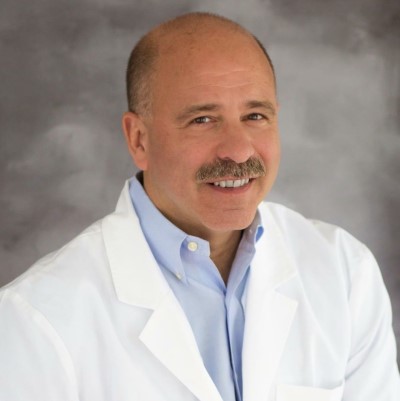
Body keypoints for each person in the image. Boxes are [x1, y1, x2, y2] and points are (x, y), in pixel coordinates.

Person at [0, 12, 398, 401]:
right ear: (139, 139)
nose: (239, 151)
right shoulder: (36, 321)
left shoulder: (345, 274)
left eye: (255, 115)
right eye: (203, 120)